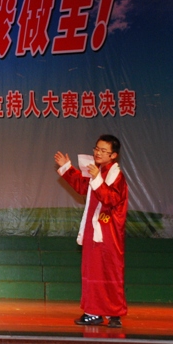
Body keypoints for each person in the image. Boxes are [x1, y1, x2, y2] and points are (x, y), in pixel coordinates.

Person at [54, 134, 128, 328]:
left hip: (107, 231)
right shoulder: (98, 171)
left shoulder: (116, 175)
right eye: (97, 149)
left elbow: (111, 199)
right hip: (93, 230)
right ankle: (97, 313)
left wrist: (96, 178)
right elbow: (82, 186)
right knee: (93, 273)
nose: (98, 153)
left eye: (104, 151)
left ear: (113, 155)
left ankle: (111, 313)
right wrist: (67, 167)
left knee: (109, 273)